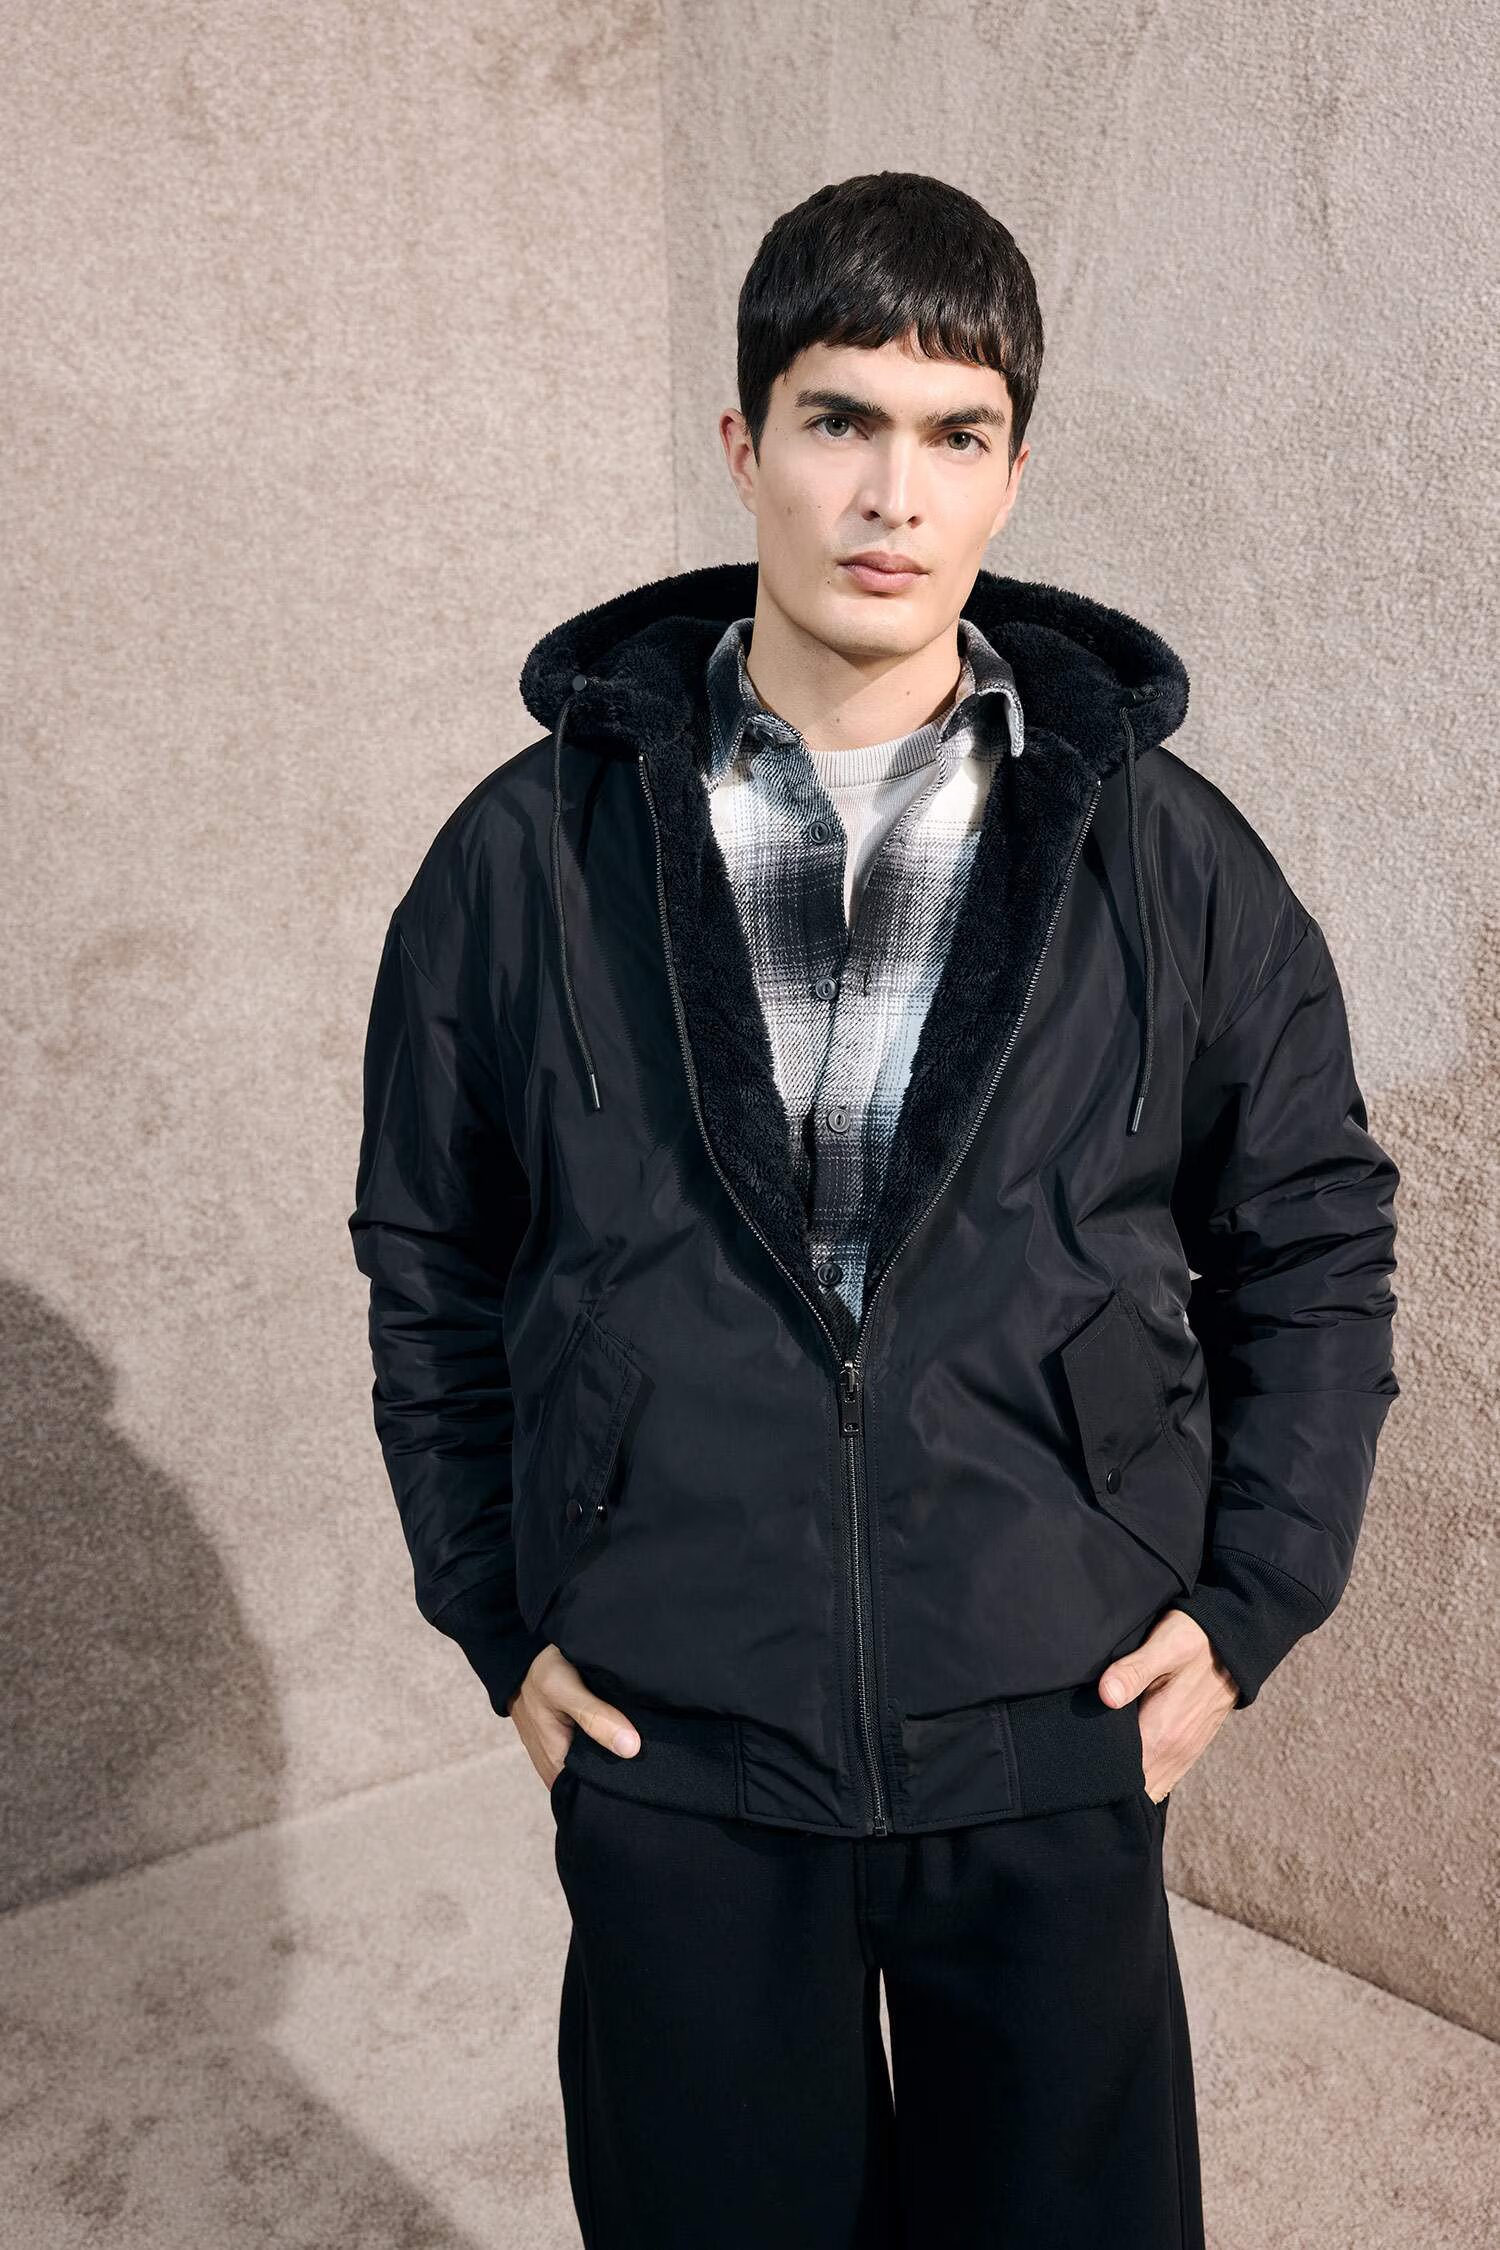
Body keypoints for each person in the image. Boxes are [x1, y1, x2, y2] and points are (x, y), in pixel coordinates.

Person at [348, 171, 1400, 2249]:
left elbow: (1314, 1234)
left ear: (1014, 471)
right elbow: (431, 1255)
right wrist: (493, 1611)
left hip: (1052, 1703)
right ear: (745, 442)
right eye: (840, 419)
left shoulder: (1165, 856)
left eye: (954, 432)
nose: (892, 493)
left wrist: (1255, 1599)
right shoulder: (526, 855)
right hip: (679, 1722)